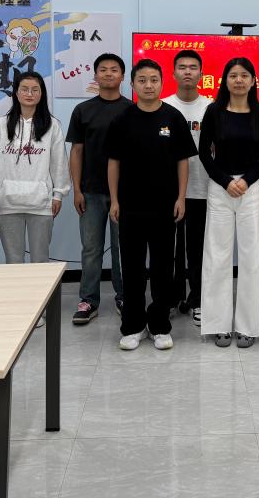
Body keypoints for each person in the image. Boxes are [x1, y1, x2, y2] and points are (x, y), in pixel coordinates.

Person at [107, 59, 196, 351]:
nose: (148, 85)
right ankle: (133, 326)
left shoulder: (173, 117)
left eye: (154, 80)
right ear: (132, 84)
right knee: (132, 269)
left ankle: (159, 325)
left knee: (162, 269)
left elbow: (183, 161)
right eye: (142, 80)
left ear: (161, 82)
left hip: (165, 207)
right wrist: (115, 200)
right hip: (130, 207)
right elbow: (113, 162)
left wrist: (181, 197)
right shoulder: (122, 119)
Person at [200, 57, 259, 348]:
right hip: (220, 188)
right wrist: (225, 181)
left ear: (253, 81)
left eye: (244, 75)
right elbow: (204, 153)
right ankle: (218, 325)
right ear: (225, 80)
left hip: (250, 188)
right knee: (217, 256)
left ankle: (247, 327)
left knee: (251, 257)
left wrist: (247, 180)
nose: (239, 80)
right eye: (233, 75)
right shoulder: (214, 111)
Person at [66, 53, 132, 325]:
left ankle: (124, 296)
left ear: (122, 76)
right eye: (103, 69)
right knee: (91, 249)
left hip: (125, 193)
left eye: (114, 69)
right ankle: (88, 300)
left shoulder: (132, 110)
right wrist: (76, 190)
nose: (108, 73)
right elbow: (76, 151)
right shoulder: (83, 110)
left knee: (122, 249)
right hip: (90, 192)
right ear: (95, 75)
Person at [0, 72, 70, 267]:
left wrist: (58, 195)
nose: (29, 94)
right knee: (13, 260)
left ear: (41, 94)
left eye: (35, 90)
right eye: (24, 89)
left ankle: (41, 290)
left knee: (40, 260)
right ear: (16, 92)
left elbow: (59, 163)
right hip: (7, 202)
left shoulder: (52, 125)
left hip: (42, 203)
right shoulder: (1, 125)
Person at [162, 50, 211, 324]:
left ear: (201, 74)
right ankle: (171, 298)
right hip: (169, 191)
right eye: (182, 67)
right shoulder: (163, 106)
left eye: (193, 67)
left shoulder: (211, 107)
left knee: (198, 249)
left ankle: (198, 299)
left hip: (203, 188)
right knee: (168, 249)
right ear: (174, 73)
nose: (188, 71)